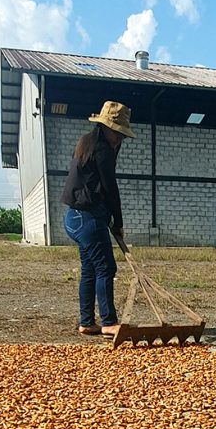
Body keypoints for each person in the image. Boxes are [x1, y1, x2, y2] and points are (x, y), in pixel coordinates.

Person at [61, 101, 135, 336]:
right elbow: (110, 188)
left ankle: (86, 322)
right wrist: (118, 223)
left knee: (90, 270)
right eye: (118, 133)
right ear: (106, 128)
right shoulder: (102, 149)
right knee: (106, 267)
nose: (119, 139)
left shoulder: (86, 143)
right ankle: (109, 322)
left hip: (74, 218)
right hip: (88, 219)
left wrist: (108, 218)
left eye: (122, 135)